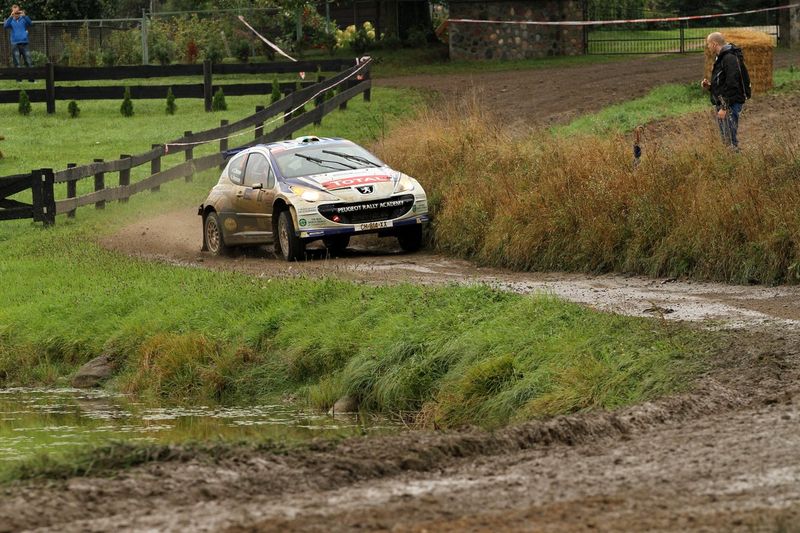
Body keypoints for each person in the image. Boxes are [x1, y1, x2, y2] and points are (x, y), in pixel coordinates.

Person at [701, 32, 749, 150]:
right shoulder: (721, 58)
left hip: (730, 103)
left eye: (708, 44)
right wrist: (710, 87)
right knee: (726, 138)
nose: (707, 47)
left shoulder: (729, 58)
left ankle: (734, 161)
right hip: (725, 102)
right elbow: (723, 83)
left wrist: (724, 107)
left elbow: (732, 84)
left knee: (729, 139)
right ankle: (731, 160)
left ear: (714, 44)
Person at [3, 4, 33, 70]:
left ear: (19, 11)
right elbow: (5, 26)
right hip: (15, 43)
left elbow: (31, 24)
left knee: (28, 61)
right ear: (12, 11)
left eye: (17, 12)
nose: (16, 14)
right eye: (15, 12)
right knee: (17, 62)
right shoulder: (10, 20)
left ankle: (32, 79)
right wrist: (11, 16)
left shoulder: (23, 19)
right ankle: (19, 79)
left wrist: (25, 16)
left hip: (25, 43)